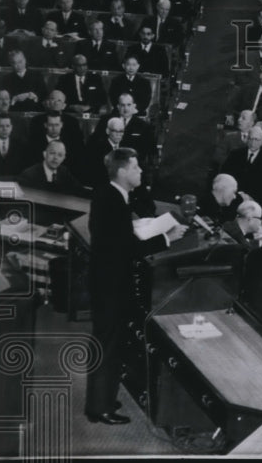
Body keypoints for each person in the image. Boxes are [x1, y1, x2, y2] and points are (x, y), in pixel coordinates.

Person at [85, 148, 187, 424]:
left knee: (107, 342)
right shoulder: (113, 199)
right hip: (111, 286)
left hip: (106, 282)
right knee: (109, 345)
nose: (141, 172)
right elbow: (125, 247)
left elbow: (117, 238)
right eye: (136, 167)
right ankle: (100, 407)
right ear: (122, 171)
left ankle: (100, 399)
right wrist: (167, 237)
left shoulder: (111, 195)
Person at [17, 140, 85, 194]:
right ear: (44, 154)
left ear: (64, 158)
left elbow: (79, 190)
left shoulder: (64, 171)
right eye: (52, 153)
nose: (56, 158)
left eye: (60, 155)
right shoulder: (29, 175)